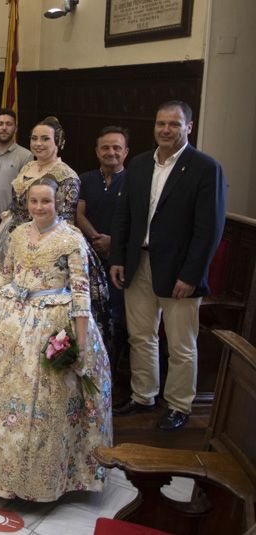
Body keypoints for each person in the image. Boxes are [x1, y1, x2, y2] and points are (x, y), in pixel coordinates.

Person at [0, 177, 112, 501]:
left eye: (46, 201)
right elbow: (6, 275)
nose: (40, 207)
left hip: (53, 318)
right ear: (26, 203)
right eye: (34, 201)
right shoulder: (16, 234)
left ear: (58, 204)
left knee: (44, 399)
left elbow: (81, 293)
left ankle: (40, 476)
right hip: (11, 316)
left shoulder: (71, 239)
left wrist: (81, 344)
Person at [110, 100, 227, 431]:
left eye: (174, 124)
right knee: (141, 336)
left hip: (179, 271)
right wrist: (119, 257)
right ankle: (143, 396)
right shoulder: (141, 164)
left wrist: (191, 275)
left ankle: (178, 405)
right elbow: (125, 216)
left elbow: (209, 230)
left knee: (180, 344)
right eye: (161, 123)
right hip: (138, 263)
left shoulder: (205, 168)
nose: (166, 129)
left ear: (189, 127)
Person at [0, 117, 81, 307]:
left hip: (44, 243)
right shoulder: (29, 167)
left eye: (45, 139)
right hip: (13, 232)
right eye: (34, 138)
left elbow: (65, 219)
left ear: (58, 141)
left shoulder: (66, 175)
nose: (38, 144)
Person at [77, 126, 130, 368]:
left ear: (125, 151)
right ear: (97, 152)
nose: (111, 152)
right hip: (88, 255)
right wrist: (97, 238)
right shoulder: (86, 179)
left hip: (120, 258)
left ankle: (115, 369)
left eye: (116, 148)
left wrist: (113, 242)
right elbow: (79, 213)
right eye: (105, 148)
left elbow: (136, 220)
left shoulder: (133, 181)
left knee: (117, 315)